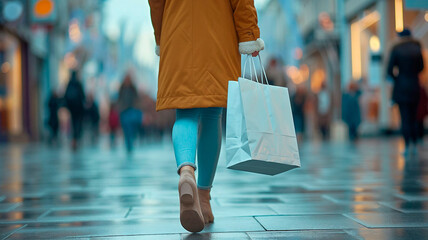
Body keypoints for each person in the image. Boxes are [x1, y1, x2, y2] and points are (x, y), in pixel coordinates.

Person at [149, 0, 264, 232]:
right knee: (212, 115)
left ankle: (186, 171)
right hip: (218, 36)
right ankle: (203, 197)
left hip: (177, 33)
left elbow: (156, 3)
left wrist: (162, 36)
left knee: (184, 114)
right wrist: (249, 34)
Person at [387, 28, 424, 154]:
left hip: (401, 87)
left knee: (405, 117)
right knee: (414, 116)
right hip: (414, 86)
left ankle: (407, 145)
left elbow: (389, 70)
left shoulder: (396, 49)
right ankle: (414, 142)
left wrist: (398, 78)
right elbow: (421, 67)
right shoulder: (417, 49)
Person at [117, 72, 142, 153]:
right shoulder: (121, 88)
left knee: (131, 128)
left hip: (131, 110)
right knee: (126, 128)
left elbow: (136, 99)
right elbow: (119, 98)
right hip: (124, 111)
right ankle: (128, 144)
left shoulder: (133, 88)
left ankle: (131, 142)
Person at [64, 71, 85, 150]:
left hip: (71, 108)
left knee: (73, 122)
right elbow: (82, 95)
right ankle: (76, 137)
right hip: (78, 108)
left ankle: (74, 139)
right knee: (77, 122)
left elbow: (65, 95)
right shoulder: (78, 83)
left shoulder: (69, 83)